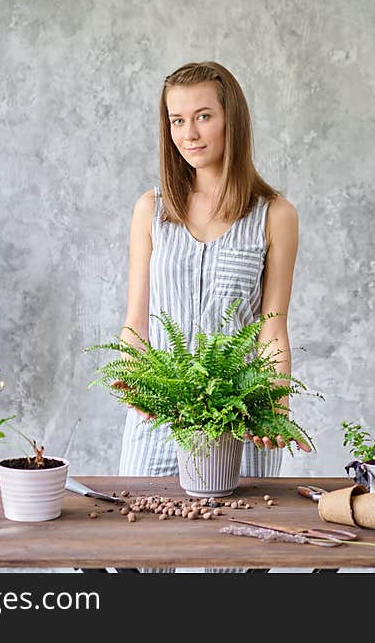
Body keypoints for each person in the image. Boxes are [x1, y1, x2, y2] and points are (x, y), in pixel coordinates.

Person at [117, 60, 310, 485]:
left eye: (204, 117)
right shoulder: (151, 210)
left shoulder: (274, 214)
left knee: (241, 541)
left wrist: (276, 408)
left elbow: (272, 330)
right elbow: (136, 321)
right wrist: (134, 381)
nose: (189, 134)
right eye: (177, 120)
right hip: (161, 418)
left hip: (242, 420)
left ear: (231, 120)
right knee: (148, 538)